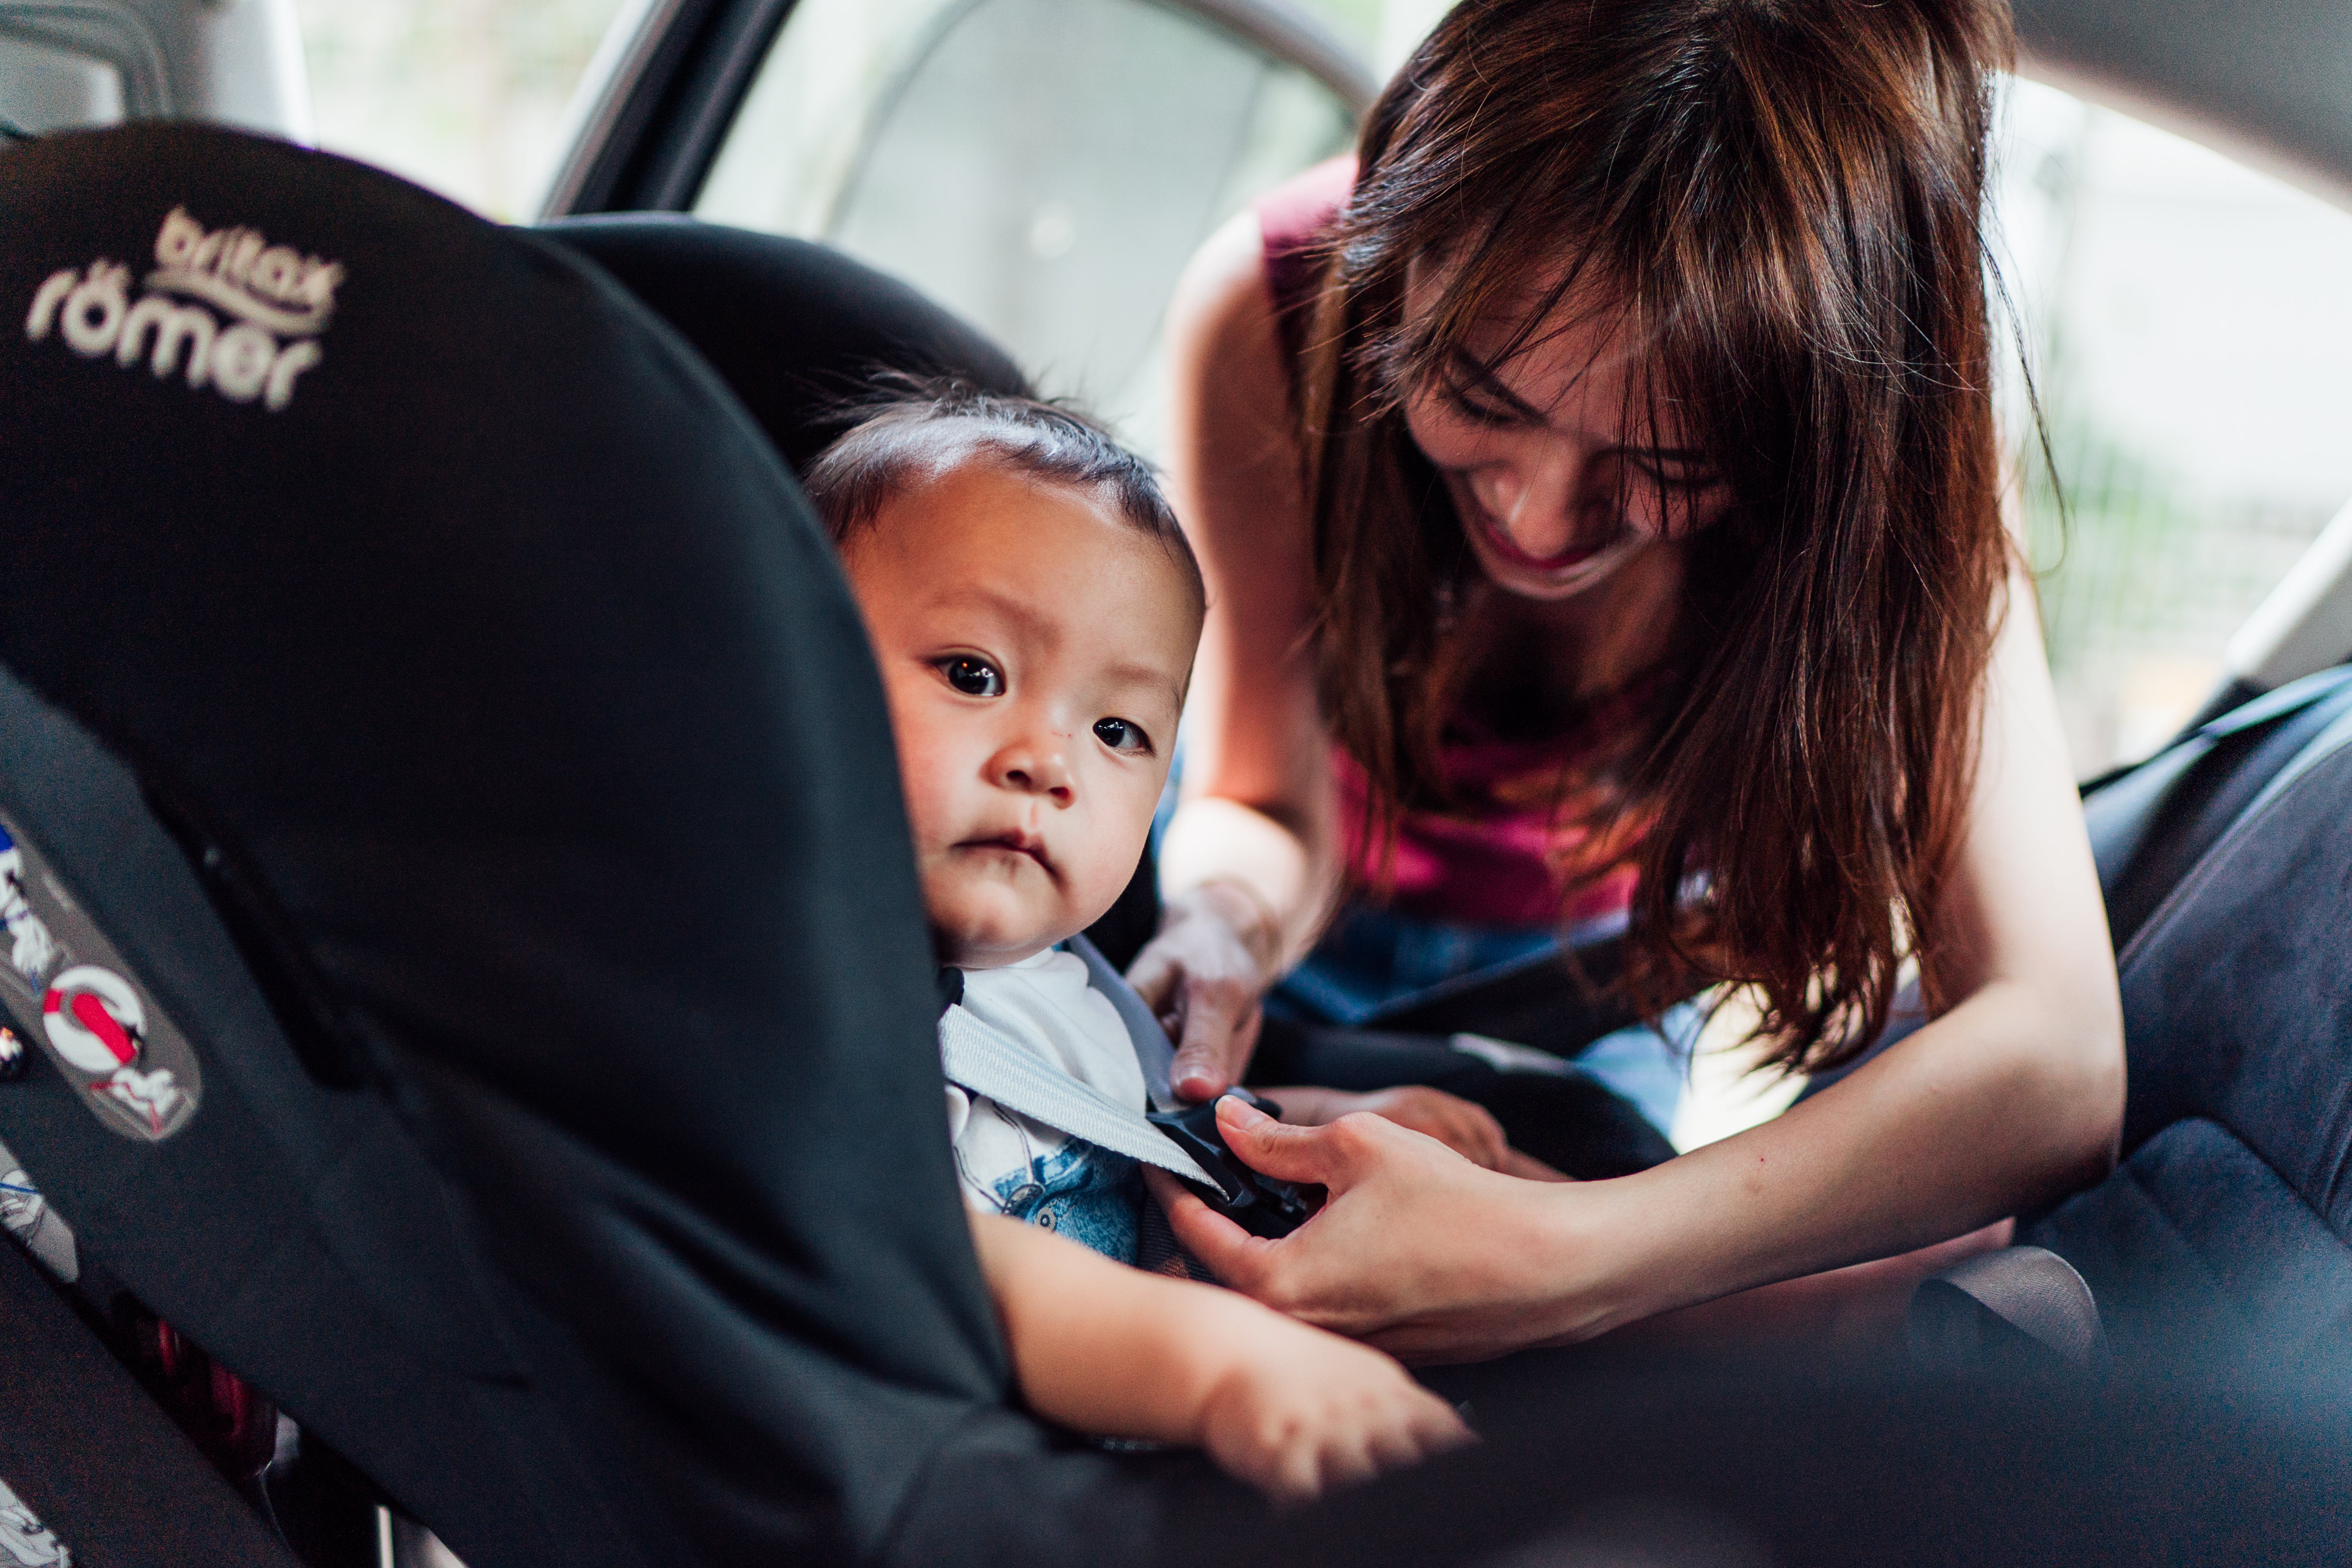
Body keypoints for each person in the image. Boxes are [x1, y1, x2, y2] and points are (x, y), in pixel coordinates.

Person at [1132, 0, 2126, 1361]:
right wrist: (1221, 927)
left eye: (1664, 469)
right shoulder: (1277, 303)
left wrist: (1568, 1257)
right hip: (1309, 922)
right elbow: (1261, 795)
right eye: (1477, 399)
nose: (1541, 524)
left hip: (1611, 970)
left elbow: (2056, 1059)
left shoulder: (1891, 471)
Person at [808, 388, 1470, 1497]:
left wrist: (1320, 1139)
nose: (1047, 760)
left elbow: (1148, 1144)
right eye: (974, 673)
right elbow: (958, 1267)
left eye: (1118, 730)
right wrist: (1222, 1369)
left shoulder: (1060, 987)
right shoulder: (807, 1000)